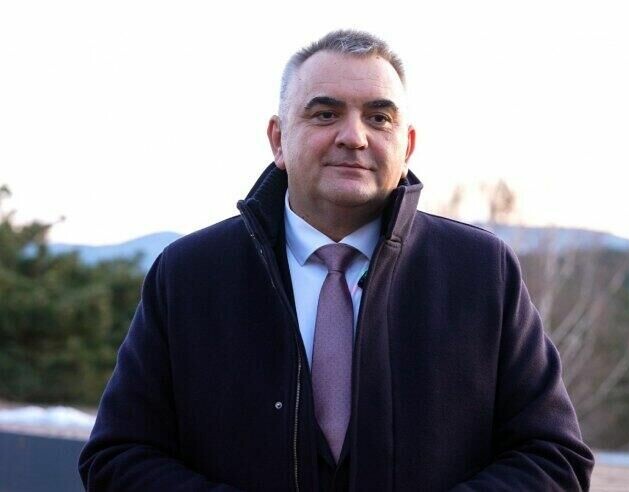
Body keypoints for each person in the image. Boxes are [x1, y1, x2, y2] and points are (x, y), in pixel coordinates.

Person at [79, 30, 594, 491]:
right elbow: (117, 457)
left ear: (407, 145)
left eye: (379, 117)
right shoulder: (189, 275)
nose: (354, 136)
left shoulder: (480, 272)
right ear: (278, 139)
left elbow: (555, 459)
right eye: (325, 114)